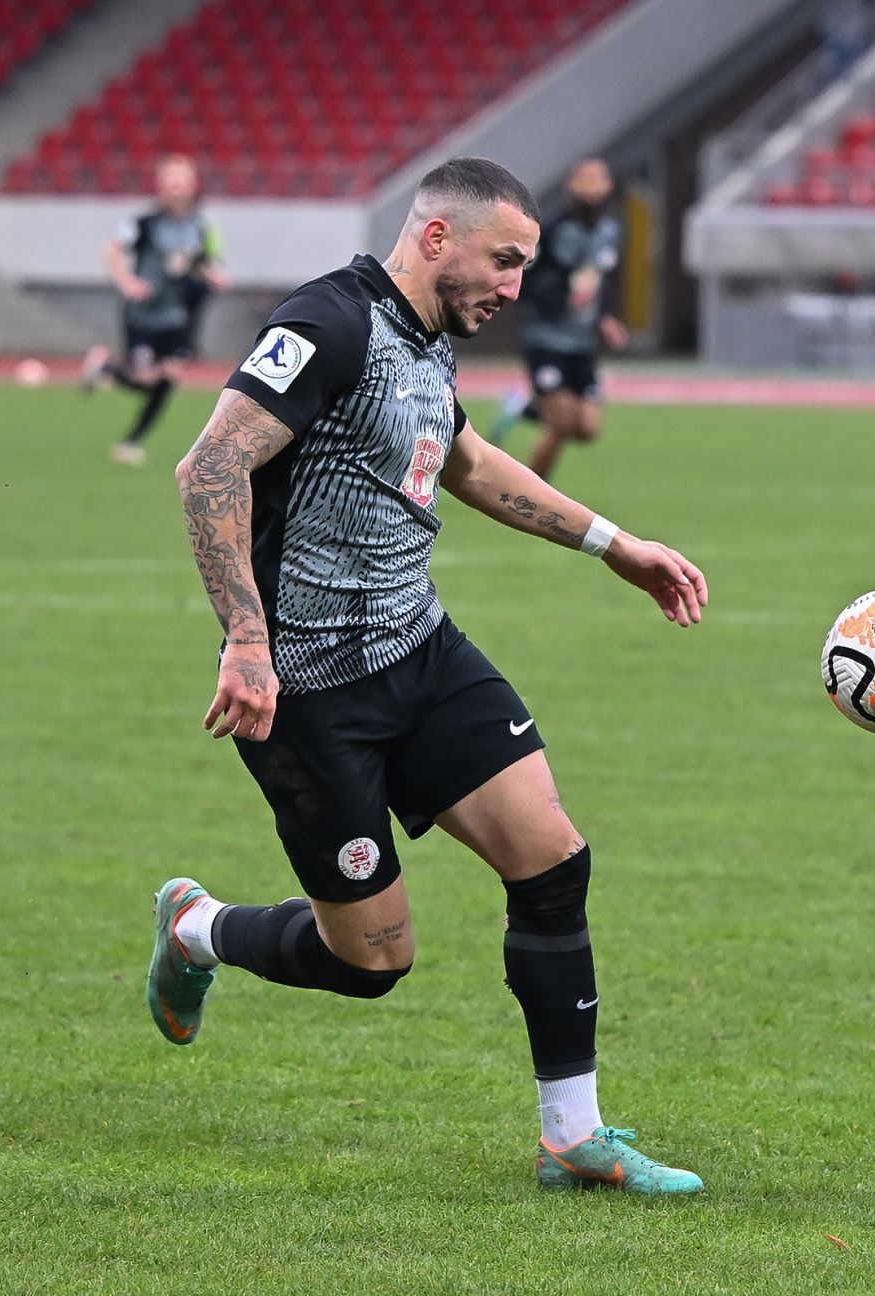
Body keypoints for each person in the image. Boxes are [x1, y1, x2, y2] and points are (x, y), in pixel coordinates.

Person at [150, 157, 710, 1194]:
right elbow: (212, 466)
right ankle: (198, 928)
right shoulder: (329, 324)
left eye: (526, 267)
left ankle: (572, 1137)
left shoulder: (425, 343)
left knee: (552, 861)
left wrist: (614, 544)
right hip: (309, 687)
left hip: (422, 650)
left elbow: (465, 461)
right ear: (438, 237)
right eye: (504, 260)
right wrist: (244, 638)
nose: (513, 285)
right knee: (374, 964)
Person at [485, 158, 629, 481]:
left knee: (588, 428)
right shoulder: (553, 232)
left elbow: (599, 280)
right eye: (585, 183)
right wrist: (561, 296)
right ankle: (529, 492)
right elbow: (528, 281)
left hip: (581, 342)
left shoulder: (610, 231)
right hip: (545, 338)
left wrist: (605, 318)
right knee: (561, 424)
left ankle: (523, 407)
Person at [83, 154, 228, 465]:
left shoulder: (201, 227)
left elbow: (208, 266)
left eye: (181, 183)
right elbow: (111, 248)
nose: (176, 190)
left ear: (192, 186)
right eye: (170, 183)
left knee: (170, 376)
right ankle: (105, 369)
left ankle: (131, 442)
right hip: (143, 315)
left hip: (176, 316)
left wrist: (207, 274)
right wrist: (126, 281)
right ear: (161, 187)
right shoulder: (144, 223)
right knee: (146, 380)